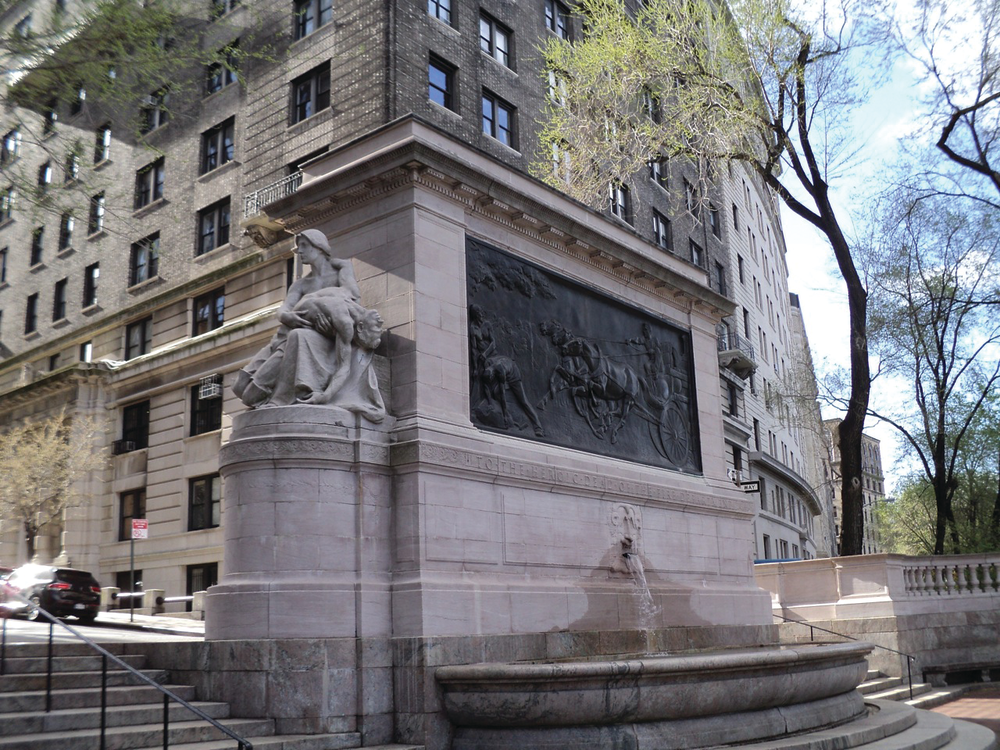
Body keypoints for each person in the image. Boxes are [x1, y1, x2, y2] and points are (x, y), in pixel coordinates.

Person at [232, 230, 385, 419]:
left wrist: (324, 396)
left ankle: (280, 399)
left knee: (253, 392)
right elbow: (284, 310)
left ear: (319, 247)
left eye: (304, 246)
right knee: (242, 388)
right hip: (285, 334)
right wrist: (288, 316)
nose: (299, 251)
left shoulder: (341, 269)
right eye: (299, 246)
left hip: (305, 336)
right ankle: (275, 396)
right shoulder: (301, 284)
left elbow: (351, 295)